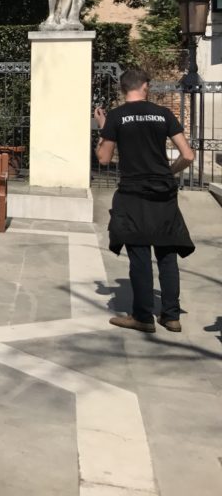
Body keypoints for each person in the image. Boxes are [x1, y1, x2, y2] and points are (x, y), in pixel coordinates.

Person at [94, 68, 195, 333]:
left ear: (122, 88)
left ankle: (142, 317)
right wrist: (167, 172)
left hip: (133, 193)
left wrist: (103, 128)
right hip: (163, 193)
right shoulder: (162, 114)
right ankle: (171, 316)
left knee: (139, 256)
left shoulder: (116, 116)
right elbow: (188, 155)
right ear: (145, 86)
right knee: (167, 253)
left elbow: (103, 159)